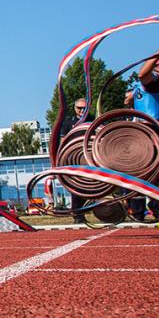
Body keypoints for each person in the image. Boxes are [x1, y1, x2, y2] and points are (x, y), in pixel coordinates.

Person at [126, 37, 159, 220]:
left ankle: (141, 210)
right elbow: (142, 75)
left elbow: (130, 98)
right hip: (153, 130)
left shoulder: (152, 85)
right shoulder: (156, 81)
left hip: (143, 130)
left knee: (145, 173)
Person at [65, 96, 93, 224]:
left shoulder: (93, 120)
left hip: (90, 158)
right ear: (74, 108)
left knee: (91, 186)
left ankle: (99, 211)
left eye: (84, 108)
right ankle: (78, 215)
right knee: (76, 187)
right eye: (79, 108)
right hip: (73, 159)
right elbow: (62, 140)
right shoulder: (67, 122)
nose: (81, 111)